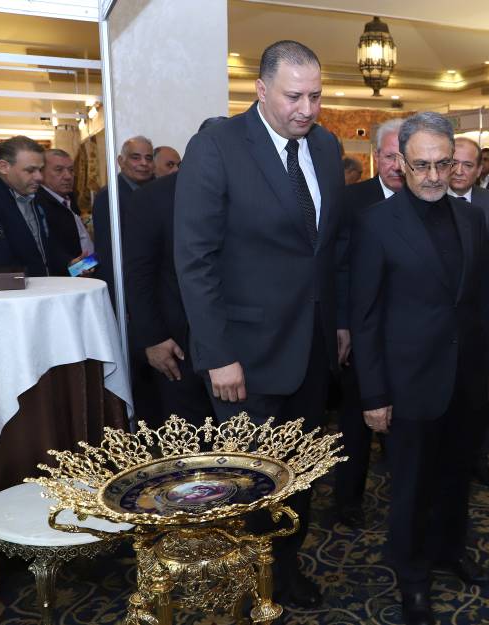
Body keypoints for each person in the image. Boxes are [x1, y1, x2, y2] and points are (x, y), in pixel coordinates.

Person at [175, 40, 347, 609]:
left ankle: (286, 570)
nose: (307, 108)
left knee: (300, 476)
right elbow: (195, 259)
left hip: (311, 350)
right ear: (261, 89)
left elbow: (330, 248)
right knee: (250, 483)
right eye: (294, 96)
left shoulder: (325, 146)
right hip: (244, 357)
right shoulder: (217, 146)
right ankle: (246, 586)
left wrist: (339, 323)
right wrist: (217, 353)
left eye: (315, 96)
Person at [350, 112, 489, 625]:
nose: (435, 176)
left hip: (465, 378)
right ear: (400, 162)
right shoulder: (376, 223)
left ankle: (450, 551)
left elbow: (483, 303)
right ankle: (412, 577)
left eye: (444, 164)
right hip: (407, 383)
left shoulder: (472, 219)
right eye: (422, 165)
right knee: (412, 488)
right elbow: (365, 317)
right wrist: (374, 395)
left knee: (457, 476)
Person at [122, 119, 224, 427]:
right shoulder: (151, 198)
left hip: (237, 338)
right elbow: (138, 275)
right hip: (177, 343)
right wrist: (153, 338)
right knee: (187, 435)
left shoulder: (246, 195)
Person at [333, 117, 404, 529]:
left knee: (406, 424)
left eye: (404, 157)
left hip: (409, 336)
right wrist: (342, 324)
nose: (397, 165)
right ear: (376, 157)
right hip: (361, 333)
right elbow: (338, 268)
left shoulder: (427, 200)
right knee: (355, 425)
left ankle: (406, 502)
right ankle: (348, 501)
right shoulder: (351, 201)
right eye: (389, 156)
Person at [448, 136, 489, 487]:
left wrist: (477, 267)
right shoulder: (430, 199)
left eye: (468, 165)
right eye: (454, 163)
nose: (459, 171)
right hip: (442, 315)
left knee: (481, 392)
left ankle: (480, 459)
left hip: (483, 309)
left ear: (480, 170)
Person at [0, 136, 84, 276]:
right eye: (30, 170)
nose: (39, 177)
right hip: (17, 289)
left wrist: (70, 265)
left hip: (42, 286)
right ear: (4, 167)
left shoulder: (34, 197)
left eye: (40, 169)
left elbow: (43, 245)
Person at [92, 135, 155, 300]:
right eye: (136, 157)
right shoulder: (110, 196)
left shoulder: (152, 192)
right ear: (121, 161)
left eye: (149, 158)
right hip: (126, 290)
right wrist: (121, 299)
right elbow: (108, 253)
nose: (144, 163)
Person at [37, 148, 93, 261]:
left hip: (88, 266)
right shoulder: (39, 205)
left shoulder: (69, 198)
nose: (68, 176)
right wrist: (73, 266)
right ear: (41, 173)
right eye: (59, 170)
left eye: (71, 170)